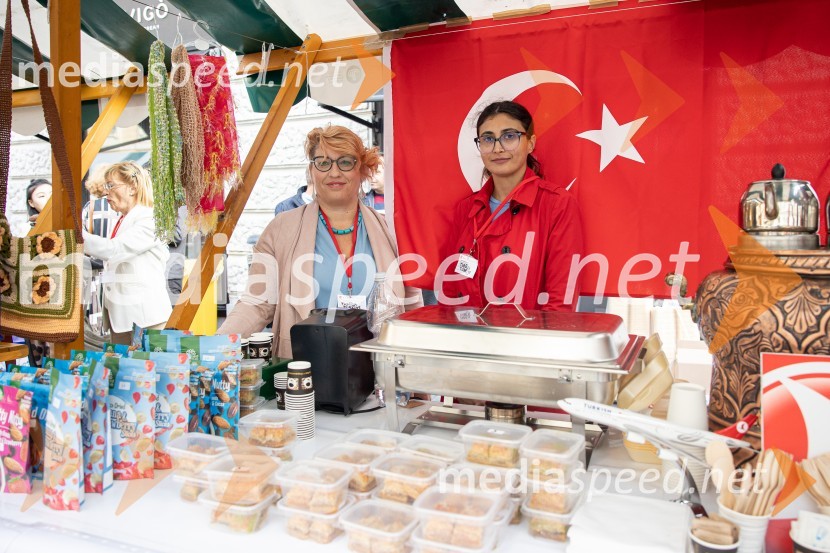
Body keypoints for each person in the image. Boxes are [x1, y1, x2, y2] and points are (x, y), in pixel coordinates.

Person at [220, 125, 422, 357]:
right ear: (312, 170)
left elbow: (411, 305)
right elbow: (256, 303)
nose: (334, 172)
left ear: (363, 170)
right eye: (323, 163)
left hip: (379, 371)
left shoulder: (392, 231)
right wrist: (219, 344)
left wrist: (420, 382)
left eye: (345, 162)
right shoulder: (280, 230)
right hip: (306, 368)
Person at [441, 100, 584, 311]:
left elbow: (560, 301)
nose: (498, 148)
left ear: (531, 143)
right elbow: (450, 290)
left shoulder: (556, 204)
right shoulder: (466, 208)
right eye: (488, 139)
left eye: (509, 136)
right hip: (467, 338)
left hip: (528, 339)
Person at [82, 162, 172, 344]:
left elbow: (113, 250)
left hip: (145, 318)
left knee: (147, 369)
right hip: (122, 317)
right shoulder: (123, 219)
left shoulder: (149, 218)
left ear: (132, 188)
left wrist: (74, 234)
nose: (106, 192)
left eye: (111, 185)